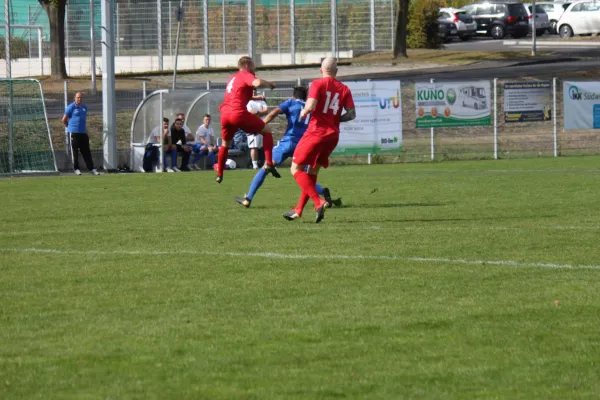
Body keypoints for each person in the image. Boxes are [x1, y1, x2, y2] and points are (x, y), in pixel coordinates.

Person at [234, 85, 342, 209]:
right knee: (303, 174)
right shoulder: (310, 107)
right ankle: (322, 193)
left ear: (293, 95)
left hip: (288, 142)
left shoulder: (290, 102)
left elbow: (274, 112)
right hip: (304, 144)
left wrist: (260, 125)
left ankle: (248, 199)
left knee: (266, 167)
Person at [283, 57, 355, 223]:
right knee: (312, 172)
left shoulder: (317, 84)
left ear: (321, 70)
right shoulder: (344, 89)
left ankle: (318, 202)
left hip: (316, 132)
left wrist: (304, 112)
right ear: (336, 71)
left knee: (295, 169)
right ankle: (299, 210)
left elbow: (310, 105)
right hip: (332, 136)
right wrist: (335, 120)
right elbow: (352, 114)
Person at [216, 56, 280, 184]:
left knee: (225, 145)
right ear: (247, 66)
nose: (254, 69)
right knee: (267, 130)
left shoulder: (232, 77)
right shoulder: (245, 74)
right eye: (253, 67)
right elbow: (256, 83)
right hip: (237, 113)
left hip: (225, 114)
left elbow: (238, 95)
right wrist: (269, 84)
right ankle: (269, 163)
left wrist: (256, 98)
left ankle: (219, 173)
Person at [62, 92, 99, 176]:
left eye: (81, 97)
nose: (79, 99)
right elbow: (64, 119)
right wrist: (69, 127)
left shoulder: (84, 107)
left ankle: (91, 168)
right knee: (75, 152)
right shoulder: (71, 107)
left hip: (83, 132)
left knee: (86, 151)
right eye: (78, 97)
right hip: (74, 132)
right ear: (75, 98)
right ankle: (76, 169)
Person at [246, 91, 269, 169]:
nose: (254, 93)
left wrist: (258, 113)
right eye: (252, 91)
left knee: (266, 145)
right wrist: (261, 113)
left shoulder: (261, 101)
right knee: (254, 146)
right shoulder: (248, 101)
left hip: (263, 124)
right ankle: (254, 165)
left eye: (255, 91)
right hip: (253, 125)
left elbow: (266, 110)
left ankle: (268, 162)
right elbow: (251, 112)